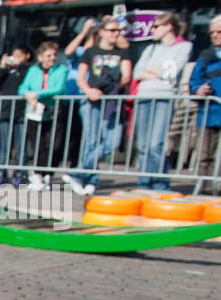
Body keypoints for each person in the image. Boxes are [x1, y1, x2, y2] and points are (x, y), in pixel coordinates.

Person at [61, 17, 132, 195]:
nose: (116, 33)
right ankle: (90, 179)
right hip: (92, 99)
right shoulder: (90, 52)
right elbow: (80, 79)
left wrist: (115, 86)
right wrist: (89, 90)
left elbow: (126, 76)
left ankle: (77, 173)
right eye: (111, 30)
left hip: (112, 99)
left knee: (112, 141)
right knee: (90, 142)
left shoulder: (122, 52)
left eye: (118, 30)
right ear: (101, 32)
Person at [132, 11, 192, 191]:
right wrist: (159, 71)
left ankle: (159, 183)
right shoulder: (151, 49)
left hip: (164, 97)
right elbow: (137, 72)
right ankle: (144, 182)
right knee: (142, 145)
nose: (153, 30)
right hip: (144, 96)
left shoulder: (183, 46)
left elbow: (172, 74)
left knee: (155, 144)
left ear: (168, 27)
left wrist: (152, 72)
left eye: (156, 26)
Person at [18, 41, 69, 189]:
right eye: (48, 55)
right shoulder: (33, 70)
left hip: (55, 111)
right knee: (37, 145)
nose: (52, 58)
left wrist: (36, 94)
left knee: (55, 144)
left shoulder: (62, 69)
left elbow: (58, 89)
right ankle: (37, 174)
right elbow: (22, 88)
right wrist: (27, 95)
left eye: (54, 55)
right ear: (40, 57)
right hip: (36, 111)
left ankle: (48, 172)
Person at [0, 46, 31, 185]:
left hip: (22, 112)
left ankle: (20, 173)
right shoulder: (6, 71)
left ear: (26, 56)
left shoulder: (28, 70)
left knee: (21, 145)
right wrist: (3, 67)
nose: (16, 59)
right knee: (2, 146)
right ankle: (0, 173)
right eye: (14, 56)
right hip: (5, 111)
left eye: (19, 56)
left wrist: (19, 66)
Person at [188, 14, 221, 194]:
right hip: (208, 113)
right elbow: (193, 82)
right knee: (204, 155)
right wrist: (198, 90)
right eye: (212, 32)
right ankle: (203, 190)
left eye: (219, 32)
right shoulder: (204, 58)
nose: (215, 35)